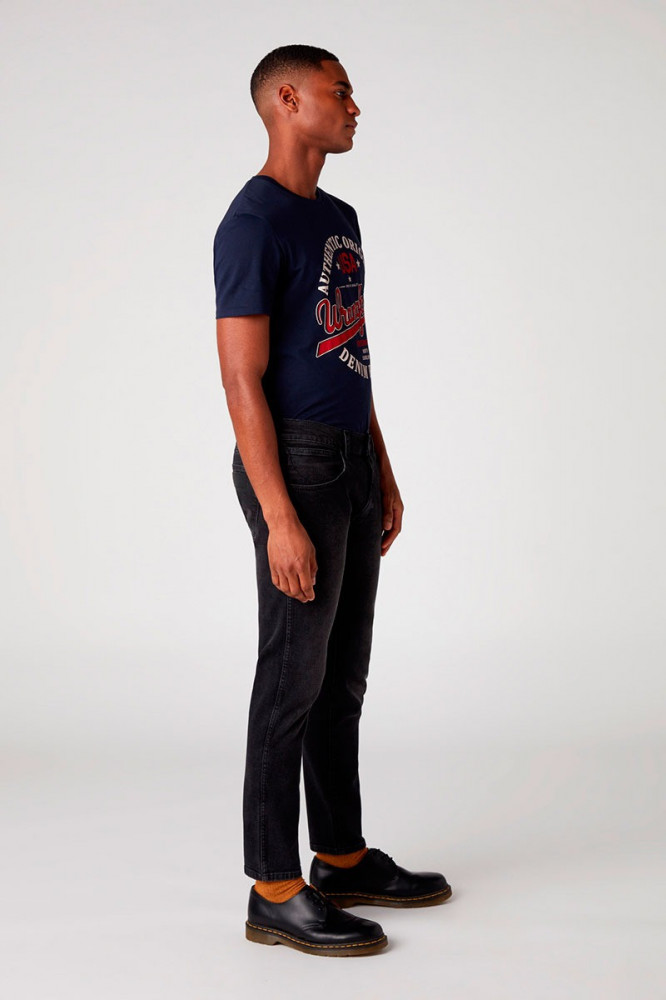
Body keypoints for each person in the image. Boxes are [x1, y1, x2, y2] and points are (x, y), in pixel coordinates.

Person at [213, 43, 451, 957]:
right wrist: (279, 515)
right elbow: (241, 378)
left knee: (342, 677)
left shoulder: (340, 217)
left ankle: (341, 856)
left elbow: (349, 347)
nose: (354, 107)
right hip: (295, 467)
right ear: (287, 98)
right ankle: (274, 888)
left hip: (348, 460)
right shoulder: (251, 222)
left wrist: (380, 465)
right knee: (291, 679)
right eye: (338, 91)